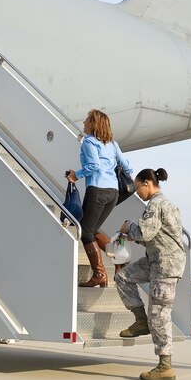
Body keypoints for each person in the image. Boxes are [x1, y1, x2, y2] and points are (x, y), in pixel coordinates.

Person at [115, 168, 185, 380]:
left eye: (138, 188)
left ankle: (165, 366)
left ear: (147, 183)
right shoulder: (168, 204)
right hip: (156, 261)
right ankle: (140, 321)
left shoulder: (155, 205)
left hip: (165, 265)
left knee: (159, 314)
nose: (138, 193)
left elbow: (145, 233)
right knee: (123, 277)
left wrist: (129, 227)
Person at [66, 109, 132, 288]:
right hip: (113, 192)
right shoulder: (112, 143)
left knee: (85, 232)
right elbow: (127, 167)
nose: (84, 123)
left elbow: (94, 165)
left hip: (97, 190)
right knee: (92, 229)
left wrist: (76, 175)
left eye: (87, 120)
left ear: (94, 124)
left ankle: (99, 275)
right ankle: (119, 260)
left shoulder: (89, 142)